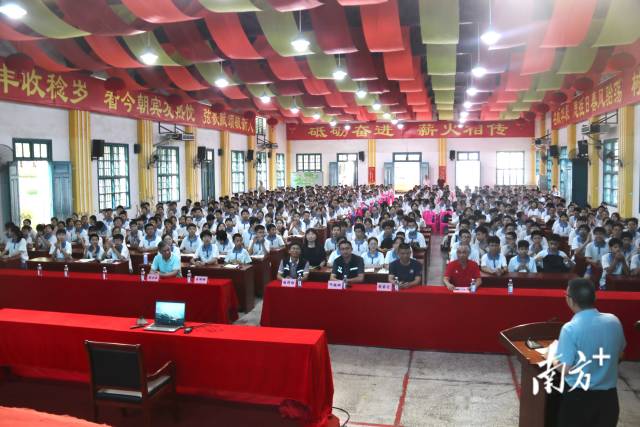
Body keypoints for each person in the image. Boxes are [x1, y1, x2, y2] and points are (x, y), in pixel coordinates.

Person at [555, 278, 625, 427]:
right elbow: (620, 355)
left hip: (578, 400)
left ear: (570, 300)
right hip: (609, 400)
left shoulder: (570, 328)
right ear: (594, 297)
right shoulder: (614, 321)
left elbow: (564, 368)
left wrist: (553, 356)